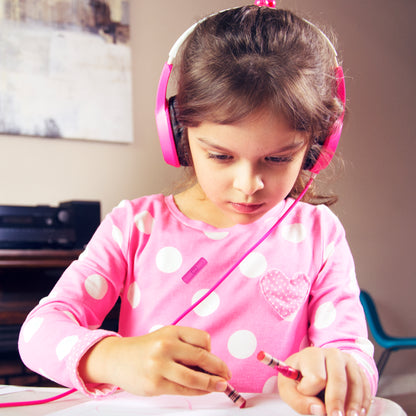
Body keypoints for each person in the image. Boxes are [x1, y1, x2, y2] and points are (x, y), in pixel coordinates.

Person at [19, 4, 378, 416]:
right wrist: (115, 357)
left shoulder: (320, 234)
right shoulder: (134, 226)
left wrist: (334, 374)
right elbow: (38, 332)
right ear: (179, 135)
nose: (248, 185)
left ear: (318, 147)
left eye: (278, 159)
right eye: (221, 156)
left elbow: (354, 357)